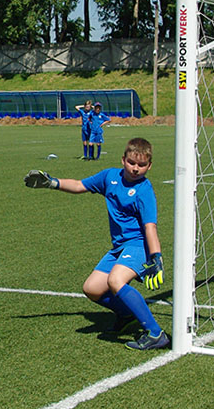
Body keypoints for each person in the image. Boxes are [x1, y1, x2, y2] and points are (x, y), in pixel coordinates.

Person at [24, 137, 169, 350]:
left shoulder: (144, 191)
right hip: (119, 247)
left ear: (149, 165)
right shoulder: (109, 177)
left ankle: (156, 333)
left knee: (116, 281)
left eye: (141, 165)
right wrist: (52, 182)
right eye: (131, 162)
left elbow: (150, 228)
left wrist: (156, 257)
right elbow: (80, 185)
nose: (136, 169)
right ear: (123, 160)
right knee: (91, 289)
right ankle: (126, 314)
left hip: (138, 245)